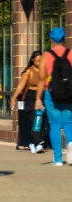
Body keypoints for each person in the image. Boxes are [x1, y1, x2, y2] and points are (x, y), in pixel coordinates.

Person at [35, 27, 72, 166]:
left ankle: (57, 159)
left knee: (55, 125)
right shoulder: (71, 54)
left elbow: (41, 78)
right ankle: (71, 144)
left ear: (51, 39)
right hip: (69, 93)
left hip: (51, 93)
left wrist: (38, 98)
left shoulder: (46, 55)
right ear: (64, 39)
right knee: (69, 123)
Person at [10, 51, 45, 153]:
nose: (39, 62)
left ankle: (33, 143)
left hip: (42, 96)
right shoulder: (28, 72)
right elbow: (21, 86)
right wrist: (13, 99)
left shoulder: (44, 70)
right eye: (37, 60)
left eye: (41, 60)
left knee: (41, 121)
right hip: (30, 97)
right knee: (36, 119)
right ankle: (39, 143)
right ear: (33, 60)